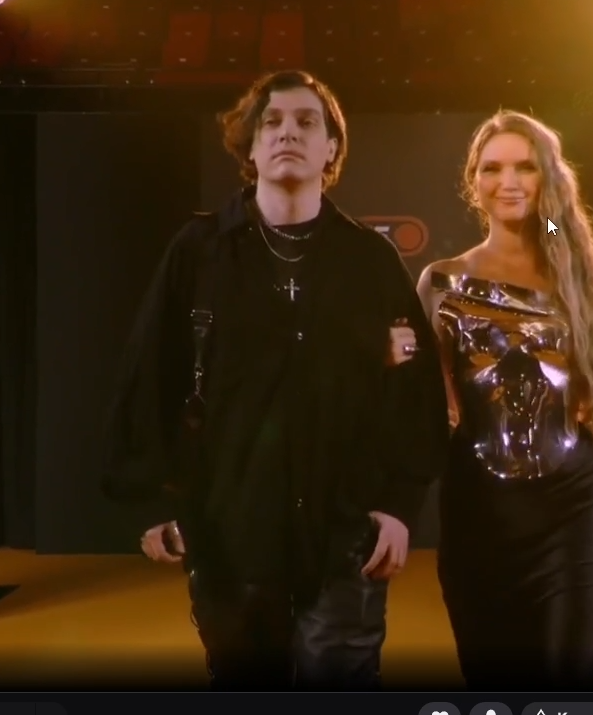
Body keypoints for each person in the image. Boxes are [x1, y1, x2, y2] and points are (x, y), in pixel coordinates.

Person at [100, 69, 449, 691]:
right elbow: (149, 376)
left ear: (331, 148)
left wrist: (398, 507)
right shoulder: (200, 251)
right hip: (230, 536)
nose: (288, 133)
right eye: (272, 122)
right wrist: (156, 503)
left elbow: (413, 395)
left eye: (307, 122)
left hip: (347, 535)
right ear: (251, 146)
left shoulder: (370, 260)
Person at [392, 110, 593, 689]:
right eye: (492, 168)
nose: (508, 181)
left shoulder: (574, 274)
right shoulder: (442, 281)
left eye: (525, 167)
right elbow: (418, 402)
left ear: (547, 177)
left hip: (576, 511)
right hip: (481, 515)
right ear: (473, 182)